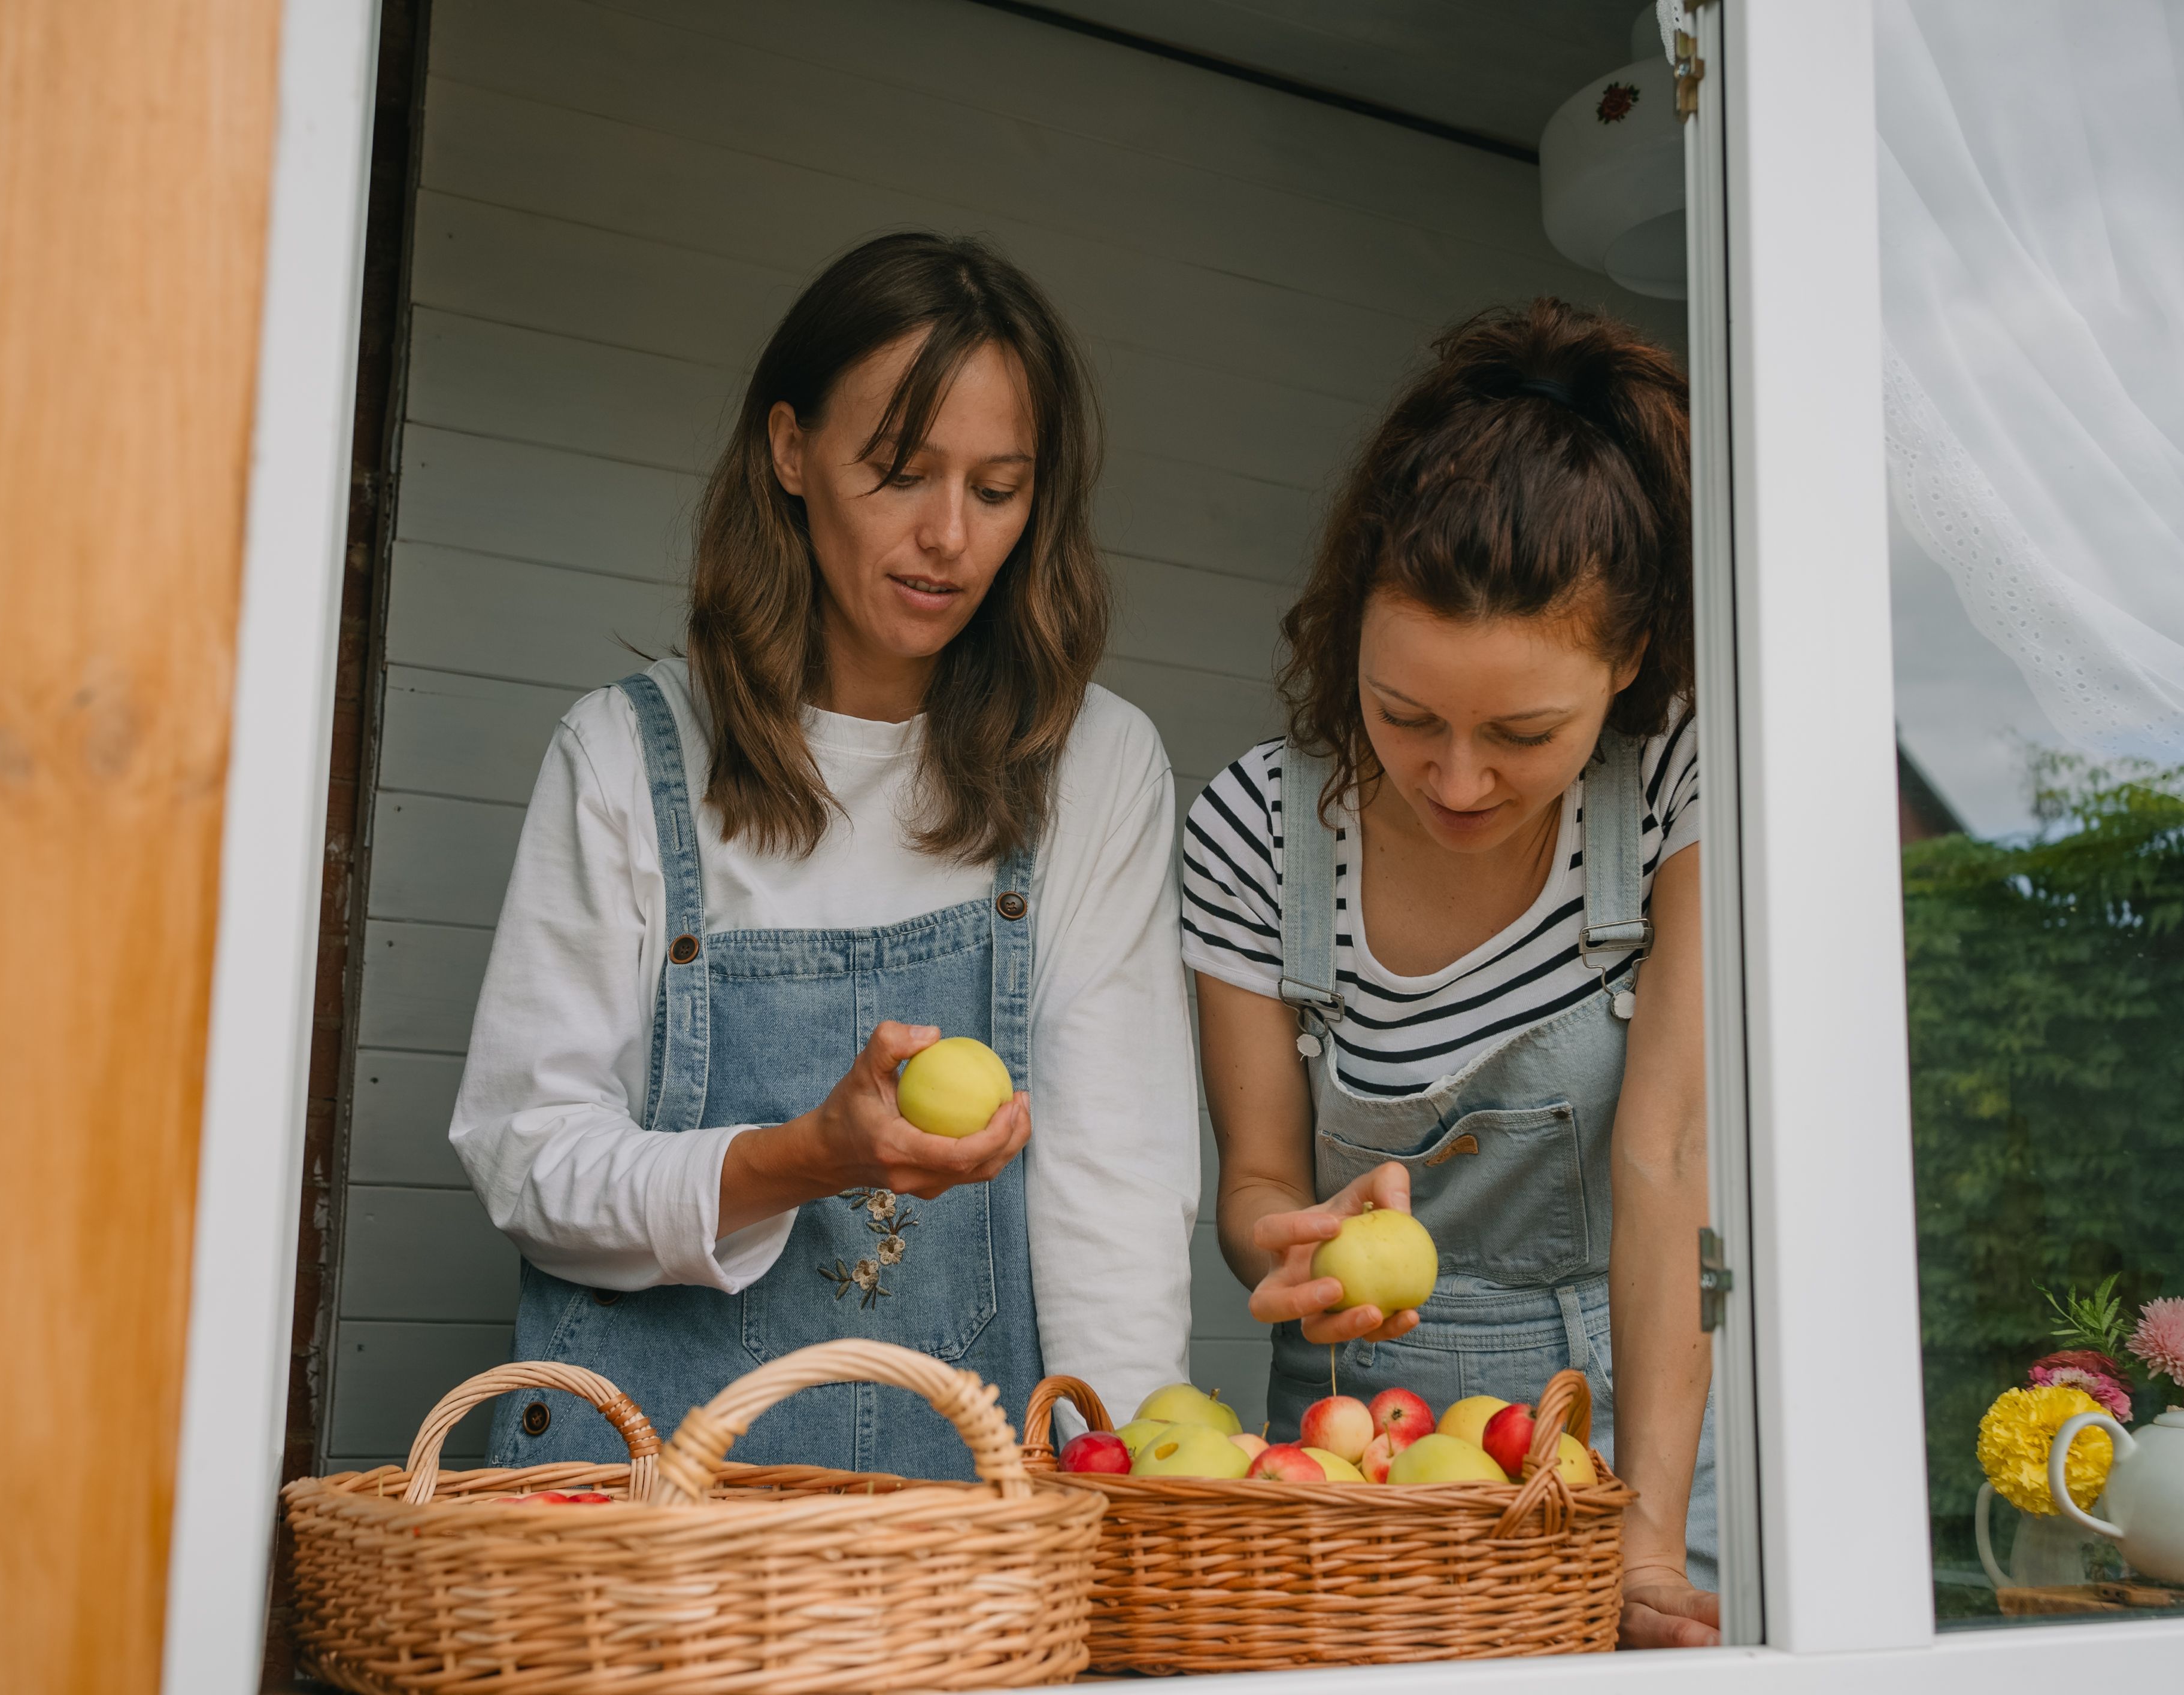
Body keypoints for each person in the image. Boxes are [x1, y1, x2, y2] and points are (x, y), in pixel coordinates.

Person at [452, 233, 1198, 1479]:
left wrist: (1123, 1491)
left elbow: (1110, 1189)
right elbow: (527, 1161)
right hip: (632, 1526)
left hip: (951, 1528)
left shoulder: (1094, 764)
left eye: (998, 489)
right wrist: (800, 1161)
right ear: (789, 451)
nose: (948, 537)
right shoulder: (627, 753)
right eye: (899, 472)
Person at [1183, 299, 1719, 1646]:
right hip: (1358, 1469)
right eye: (1402, 715)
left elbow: (1669, 1156)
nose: (1458, 780)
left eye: (1523, 733)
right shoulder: (1253, 830)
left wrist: (1642, 1542)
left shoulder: (1678, 787)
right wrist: (1284, 1242)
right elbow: (1255, 1183)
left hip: (1638, 1446)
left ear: (1630, 661)